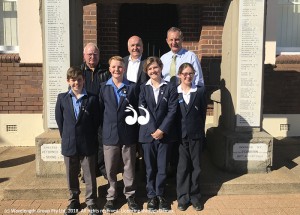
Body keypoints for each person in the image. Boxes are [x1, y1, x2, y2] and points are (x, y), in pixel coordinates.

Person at [55, 67, 100, 215]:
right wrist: (67, 136)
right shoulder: (62, 98)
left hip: (87, 143)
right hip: (69, 142)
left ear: (83, 80)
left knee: (89, 174)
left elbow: (96, 121)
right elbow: (60, 121)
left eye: (79, 80)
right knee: (71, 173)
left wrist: (90, 137)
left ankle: (91, 201)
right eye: (73, 80)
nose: (76, 83)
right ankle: (74, 200)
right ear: (68, 81)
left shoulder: (92, 98)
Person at [99, 56, 139, 213]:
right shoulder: (103, 88)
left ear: (124, 68)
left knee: (129, 167)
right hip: (109, 135)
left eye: (120, 67)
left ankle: (130, 196)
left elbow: (137, 110)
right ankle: (111, 197)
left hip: (128, 134)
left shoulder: (132, 87)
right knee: (110, 168)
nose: (117, 70)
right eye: (114, 67)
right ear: (110, 69)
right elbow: (100, 112)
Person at [138, 56, 178, 211]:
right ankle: (151, 196)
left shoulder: (170, 87)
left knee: (162, 167)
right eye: (150, 69)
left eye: (155, 67)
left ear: (161, 68)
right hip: (148, 135)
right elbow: (142, 109)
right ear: (147, 72)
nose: (153, 71)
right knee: (150, 168)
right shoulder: (143, 88)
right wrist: (154, 129)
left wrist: (162, 130)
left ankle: (161, 195)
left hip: (165, 135)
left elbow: (172, 110)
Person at [176, 63, 207, 211]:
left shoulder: (200, 92)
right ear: (179, 75)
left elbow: (202, 115)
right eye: (185, 74)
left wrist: (201, 133)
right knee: (183, 168)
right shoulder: (175, 92)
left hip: (196, 136)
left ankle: (195, 197)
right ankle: (182, 198)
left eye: (191, 73)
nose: (188, 76)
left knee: (196, 167)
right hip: (180, 138)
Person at [81, 42, 111, 180]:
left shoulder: (106, 71)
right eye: (89, 54)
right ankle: (89, 170)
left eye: (95, 54)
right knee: (88, 143)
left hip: (102, 114)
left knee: (101, 142)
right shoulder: (79, 71)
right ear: (84, 56)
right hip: (86, 115)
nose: (92, 57)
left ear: (99, 55)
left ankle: (101, 168)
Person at [123, 35, 149, 171]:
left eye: (138, 45)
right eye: (132, 45)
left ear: (142, 47)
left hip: (143, 107)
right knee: (129, 140)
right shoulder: (121, 62)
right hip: (126, 107)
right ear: (128, 48)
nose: (135, 48)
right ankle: (130, 170)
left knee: (143, 138)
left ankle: (144, 170)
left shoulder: (147, 63)